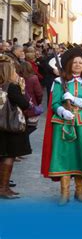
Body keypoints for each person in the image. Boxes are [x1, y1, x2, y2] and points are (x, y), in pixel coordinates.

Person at [40, 47, 82, 205]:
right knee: (63, 157)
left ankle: (80, 191)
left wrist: (77, 100)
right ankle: (64, 192)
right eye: (75, 62)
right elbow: (54, 103)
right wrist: (62, 111)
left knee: (81, 156)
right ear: (70, 64)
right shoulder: (60, 82)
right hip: (63, 124)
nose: (78, 65)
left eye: (81, 62)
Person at [0, 55, 30, 199]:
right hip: (9, 127)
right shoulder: (11, 86)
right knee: (8, 156)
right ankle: (3, 188)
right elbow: (24, 104)